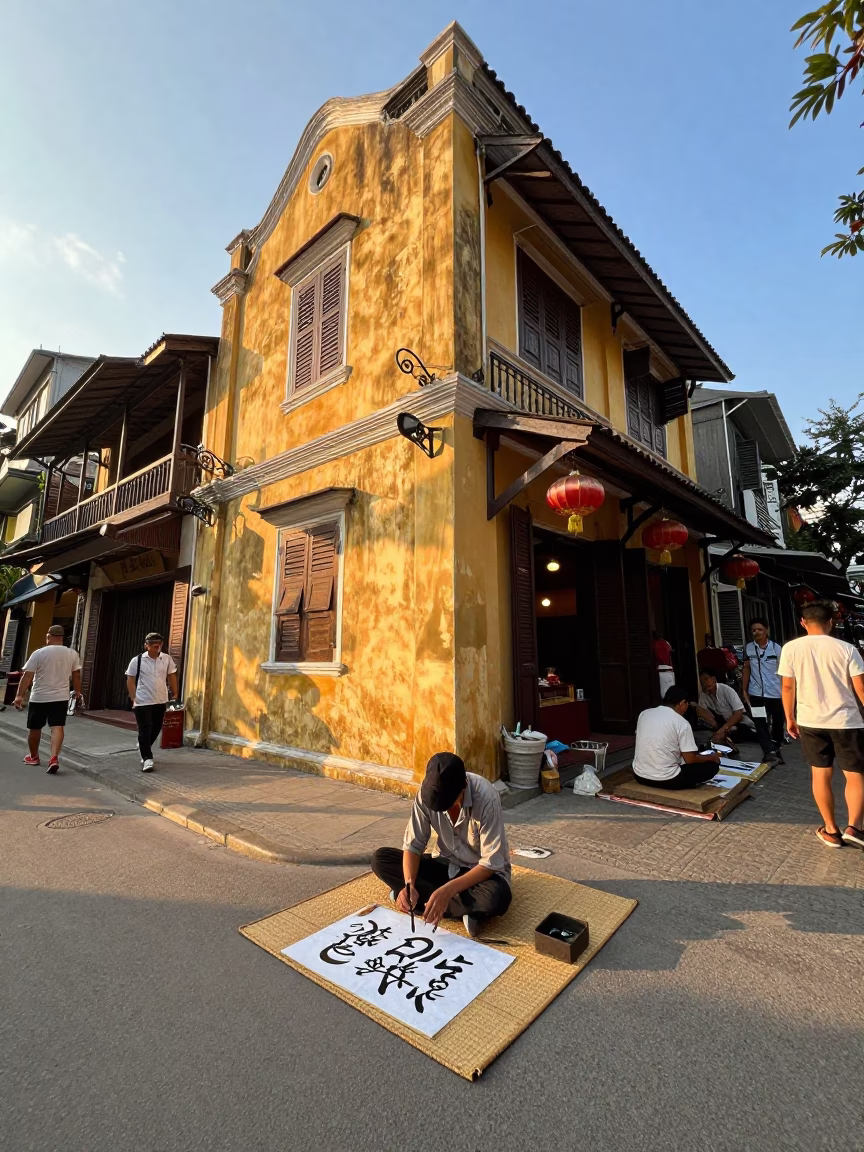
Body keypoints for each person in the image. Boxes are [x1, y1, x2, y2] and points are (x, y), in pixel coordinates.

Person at [370, 752, 511, 938]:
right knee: (381, 859)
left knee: (496, 898)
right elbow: (414, 845)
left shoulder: (486, 798)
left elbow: (491, 863)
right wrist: (409, 884)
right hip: (444, 865)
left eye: (449, 803)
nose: (447, 809)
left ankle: (429, 901)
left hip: (479, 876)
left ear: (463, 787)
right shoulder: (426, 793)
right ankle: (457, 908)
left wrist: (448, 890)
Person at [778, 600, 864, 849]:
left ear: (803, 622)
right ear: (831, 622)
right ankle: (855, 827)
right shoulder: (847, 649)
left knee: (821, 774)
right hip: (846, 721)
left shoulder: (791, 649)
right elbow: (860, 688)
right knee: (855, 775)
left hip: (810, 720)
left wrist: (789, 718)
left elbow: (787, 686)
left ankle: (831, 830)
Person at [14, 624, 82, 774]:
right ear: (62, 638)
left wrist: (19, 695)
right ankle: (54, 758)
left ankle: (34, 756)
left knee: (35, 728)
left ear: (48, 636)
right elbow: (76, 675)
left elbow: (27, 676)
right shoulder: (72, 653)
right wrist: (77, 692)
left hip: (39, 697)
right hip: (60, 697)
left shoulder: (38, 653)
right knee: (57, 726)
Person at [632, 685, 721, 789]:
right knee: (712, 767)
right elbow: (690, 760)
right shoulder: (681, 722)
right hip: (668, 780)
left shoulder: (644, 713)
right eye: (687, 704)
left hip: (640, 776)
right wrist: (711, 757)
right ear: (682, 703)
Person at [125, 632, 178, 772]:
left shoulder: (166, 659)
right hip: (142, 700)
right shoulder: (137, 660)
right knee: (145, 728)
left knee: (157, 727)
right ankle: (147, 758)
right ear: (146, 645)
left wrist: (175, 692)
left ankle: (144, 745)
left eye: (160, 645)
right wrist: (133, 697)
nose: (158, 648)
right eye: (155, 645)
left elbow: (171, 675)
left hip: (160, 699)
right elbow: (130, 679)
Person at [742, 617, 785, 765]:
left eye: (760, 629)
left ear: (766, 630)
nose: (756, 632)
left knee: (779, 722)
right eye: (754, 630)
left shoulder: (777, 649)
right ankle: (768, 752)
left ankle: (776, 746)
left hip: (776, 693)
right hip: (756, 694)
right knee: (760, 723)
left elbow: (784, 671)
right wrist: (744, 689)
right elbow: (746, 668)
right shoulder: (748, 648)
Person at [697, 670, 748, 752]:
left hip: (738, 723)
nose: (704, 683)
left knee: (735, 730)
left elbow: (739, 713)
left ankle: (725, 739)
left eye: (706, 679)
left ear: (713, 679)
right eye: (702, 681)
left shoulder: (726, 690)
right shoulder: (704, 695)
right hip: (721, 723)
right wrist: (715, 725)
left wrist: (723, 729)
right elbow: (701, 710)